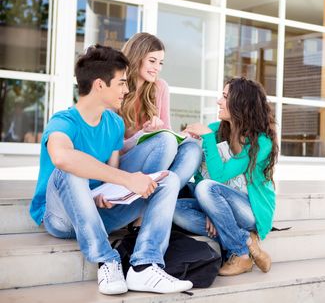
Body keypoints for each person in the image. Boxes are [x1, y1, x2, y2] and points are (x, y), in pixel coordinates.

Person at [29, 45, 192, 295]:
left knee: (168, 180)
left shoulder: (114, 123)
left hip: (99, 213)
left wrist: (110, 191)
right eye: (122, 83)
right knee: (69, 169)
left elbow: (110, 173)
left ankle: (145, 265)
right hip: (60, 218)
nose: (127, 90)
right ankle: (107, 259)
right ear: (99, 85)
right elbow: (62, 157)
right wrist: (127, 179)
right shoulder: (63, 121)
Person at [173, 77, 278, 276]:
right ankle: (246, 240)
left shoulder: (262, 143)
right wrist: (211, 208)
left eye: (224, 97)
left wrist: (206, 137)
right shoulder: (218, 129)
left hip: (250, 211)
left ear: (241, 104)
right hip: (223, 203)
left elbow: (219, 176)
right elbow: (199, 172)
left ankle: (240, 254)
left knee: (206, 188)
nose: (218, 102)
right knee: (173, 208)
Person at [118, 32, 201, 205]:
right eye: (152, 61)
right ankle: (144, 209)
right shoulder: (118, 87)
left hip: (155, 161)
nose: (157, 67)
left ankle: (156, 203)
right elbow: (115, 148)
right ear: (136, 57)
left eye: (161, 63)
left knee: (193, 148)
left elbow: (167, 132)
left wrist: (184, 135)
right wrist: (143, 134)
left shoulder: (160, 87)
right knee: (165, 140)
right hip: (123, 166)